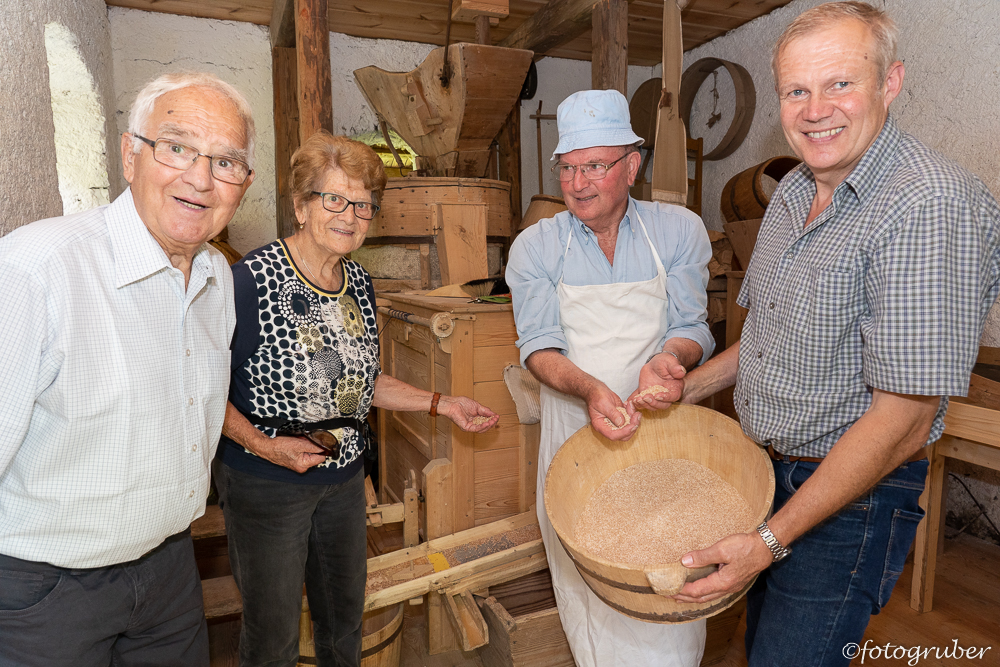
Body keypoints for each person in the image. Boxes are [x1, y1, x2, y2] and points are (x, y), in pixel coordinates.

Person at [671, 3, 1000, 666]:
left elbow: (904, 421)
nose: (815, 109)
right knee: (761, 647)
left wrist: (768, 540)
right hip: (766, 473)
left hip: (850, 500)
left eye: (840, 84)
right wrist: (684, 388)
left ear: (890, 82)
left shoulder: (927, 205)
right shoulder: (793, 189)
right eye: (796, 90)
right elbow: (770, 337)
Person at [215, 130, 499, 667]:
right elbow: (203, 388)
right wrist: (266, 446)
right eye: (334, 200)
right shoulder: (250, 281)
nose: (351, 216)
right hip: (267, 482)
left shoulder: (360, 284)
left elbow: (362, 383)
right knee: (273, 637)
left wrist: (443, 403)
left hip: (342, 480)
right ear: (302, 206)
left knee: (343, 622)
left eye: (364, 205)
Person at [0, 71, 257, 665]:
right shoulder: (35, 270)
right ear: (130, 155)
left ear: (243, 184)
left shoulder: (217, 277)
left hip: (169, 568)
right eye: (177, 148)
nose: (200, 178)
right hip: (44, 589)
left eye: (225, 162)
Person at [506, 89, 715, 667]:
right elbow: (538, 345)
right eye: (568, 168)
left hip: (660, 430)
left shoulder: (678, 231)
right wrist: (591, 389)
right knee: (590, 579)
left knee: (666, 570)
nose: (578, 184)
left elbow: (693, 327)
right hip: (574, 432)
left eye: (595, 166)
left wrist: (669, 358)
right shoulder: (537, 245)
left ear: (631, 166)